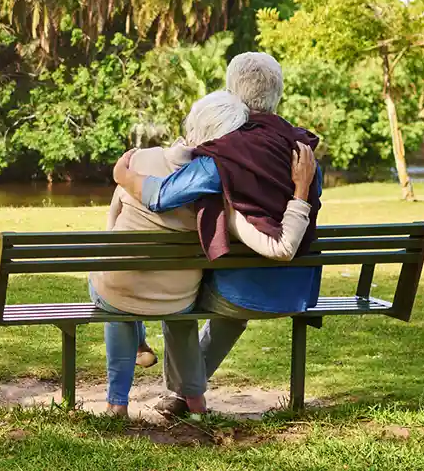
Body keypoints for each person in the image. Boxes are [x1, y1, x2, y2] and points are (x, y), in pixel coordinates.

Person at [113, 52, 325, 417]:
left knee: (179, 296)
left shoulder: (227, 153)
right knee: (225, 302)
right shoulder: (302, 148)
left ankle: (185, 393)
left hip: (244, 291)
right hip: (298, 290)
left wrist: (124, 177)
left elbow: (161, 196)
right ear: (279, 94)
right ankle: (184, 395)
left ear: (232, 93)